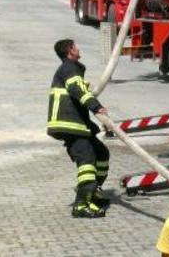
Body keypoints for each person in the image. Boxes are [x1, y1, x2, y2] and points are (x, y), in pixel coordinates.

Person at [48, 39, 111, 218]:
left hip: (78, 125)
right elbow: (77, 90)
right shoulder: (69, 68)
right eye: (76, 46)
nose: (78, 48)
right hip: (70, 126)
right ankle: (81, 204)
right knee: (87, 161)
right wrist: (95, 106)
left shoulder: (71, 68)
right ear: (70, 51)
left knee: (101, 153)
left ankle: (94, 191)